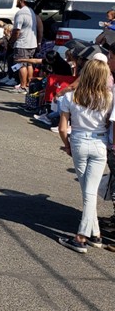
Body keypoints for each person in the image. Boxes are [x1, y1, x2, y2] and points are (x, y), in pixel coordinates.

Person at [56, 59, 112, 253]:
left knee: (87, 190)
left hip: (79, 140)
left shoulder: (70, 97)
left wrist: (67, 145)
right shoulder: (109, 98)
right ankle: (95, 234)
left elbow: (63, 128)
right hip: (101, 142)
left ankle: (80, 238)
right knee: (90, 189)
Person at [10, 0, 43, 94]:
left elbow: (16, 31)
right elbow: (39, 28)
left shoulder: (21, 13)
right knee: (29, 64)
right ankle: (29, 84)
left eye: (18, 0)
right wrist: (38, 42)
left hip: (22, 43)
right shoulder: (31, 12)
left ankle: (23, 86)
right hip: (32, 43)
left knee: (21, 64)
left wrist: (11, 41)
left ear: (21, 0)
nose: (16, 2)